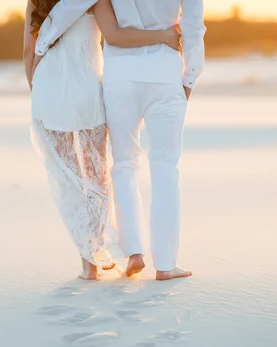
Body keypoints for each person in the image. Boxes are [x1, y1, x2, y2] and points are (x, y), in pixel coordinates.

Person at [33, 0, 206, 281]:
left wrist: (41, 46)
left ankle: (133, 253)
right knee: (166, 167)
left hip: (121, 76)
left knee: (124, 164)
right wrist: (189, 79)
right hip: (164, 73)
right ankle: (165, 264)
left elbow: (70, 5)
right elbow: (193, 29)